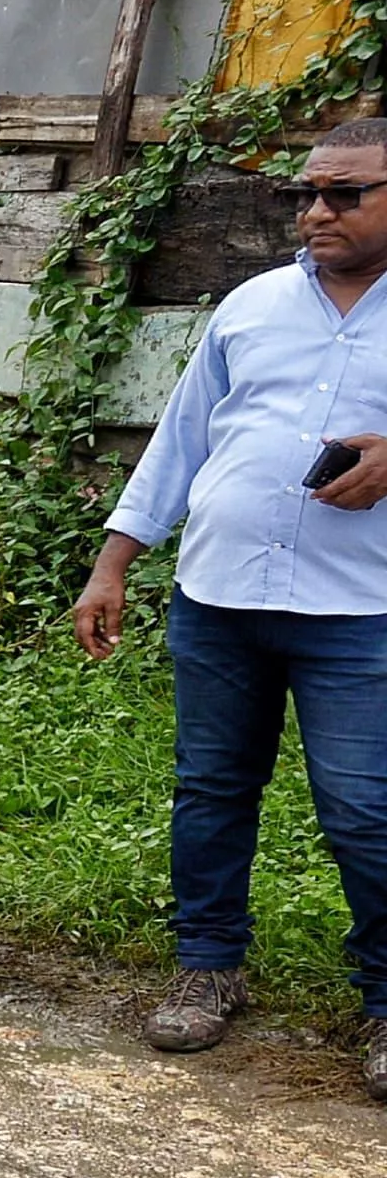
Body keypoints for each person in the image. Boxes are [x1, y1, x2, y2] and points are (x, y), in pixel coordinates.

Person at [71, 118, 387, 1100]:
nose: (314, 211)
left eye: (342, 194)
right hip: (217, 600)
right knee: (209, 791)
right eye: (303, 193)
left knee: (365, 813)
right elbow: (177, 443)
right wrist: (112, 561)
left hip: (359, 615)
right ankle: (207, 967)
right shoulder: (249, 306)